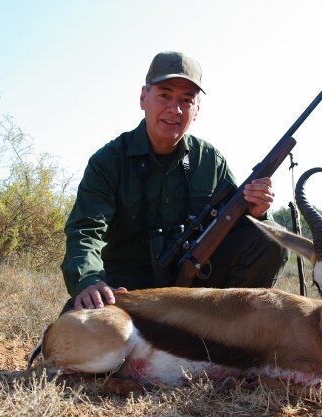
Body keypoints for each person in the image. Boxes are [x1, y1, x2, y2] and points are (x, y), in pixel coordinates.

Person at [61, 51, 288, 310]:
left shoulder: (211, 160)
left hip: (198, 284)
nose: (175, 109)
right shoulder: (108, 160)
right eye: (164, 95)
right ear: (143, 98)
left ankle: (229, 335)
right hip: (126, 287)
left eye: (186, 99)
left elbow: (235, 227)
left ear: (197, 109)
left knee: (270, 240)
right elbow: (85, 231)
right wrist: (89, 280)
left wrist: (257, 214)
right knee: (75, 320)